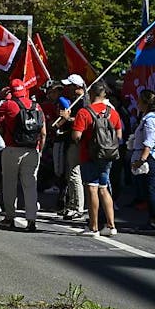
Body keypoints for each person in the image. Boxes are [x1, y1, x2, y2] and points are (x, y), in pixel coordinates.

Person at [71, 81, 122, 237]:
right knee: (104, 188)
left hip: (90, 155)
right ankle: (111, 225)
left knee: (92, 188)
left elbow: (76, 136)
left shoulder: (84, 112)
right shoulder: (113, 113)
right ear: (104, 94)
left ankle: (93, 227)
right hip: (108, 156)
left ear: (91, 94)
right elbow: (119, 136)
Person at [0, 79, 46, 231]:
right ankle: (31, 220)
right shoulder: (37, 107)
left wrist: (0, 97)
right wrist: (40, 150)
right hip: (32, 150)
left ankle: (10, 217)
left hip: (11, 149)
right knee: (30, 185)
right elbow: (43, 133)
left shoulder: (9, 104)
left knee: (9, 184)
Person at [131, 90, 155, 233]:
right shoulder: (150, 118)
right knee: (153, 190)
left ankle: (154, 222)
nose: (137, 103)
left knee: (151, 190)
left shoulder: (150, 120)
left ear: (146, 103)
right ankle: (154, 219)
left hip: (151, 159)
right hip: (152, 158)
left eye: (139, 100)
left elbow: (149, 143)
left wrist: (141, 160)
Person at [55, 74, 88, 220]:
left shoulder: (84, 102)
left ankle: (78, 207)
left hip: (78, 141)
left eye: (69, 86)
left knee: (75, 174)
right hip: (72, 140)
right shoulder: (75, 101)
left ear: (76, 87)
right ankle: (72, 204)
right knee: (70, 174)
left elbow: (84, 120)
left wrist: (68, 118)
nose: (66, 88)